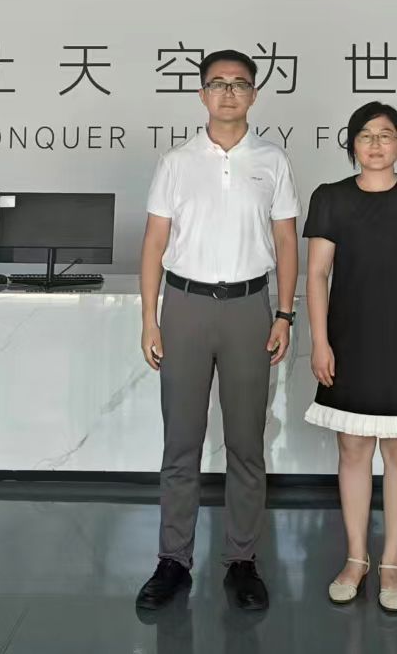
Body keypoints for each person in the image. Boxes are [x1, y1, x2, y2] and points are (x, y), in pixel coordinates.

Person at [134, 49, 300, 612]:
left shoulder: (272, 160)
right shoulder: (176, 162)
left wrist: (284, 314)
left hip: (250, 308)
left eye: (239, 83)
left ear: (254, 94)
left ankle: (242, 561)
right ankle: (172, 561)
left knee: (246, 443)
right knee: (180, 441)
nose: (229, 92)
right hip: (184, 307)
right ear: (202, 94)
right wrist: (149, 317)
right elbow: (155, 242)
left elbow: (285, 242)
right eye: (218, 83)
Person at [303, 101, 397, 613]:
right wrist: (320, 341)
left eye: (385, 134)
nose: (375, 144)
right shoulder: (330, 198)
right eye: (365, 135)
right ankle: (356, 558)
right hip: (348, 341)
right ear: (351, 144)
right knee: (352, 450)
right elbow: (317, 275)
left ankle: (390, 563)